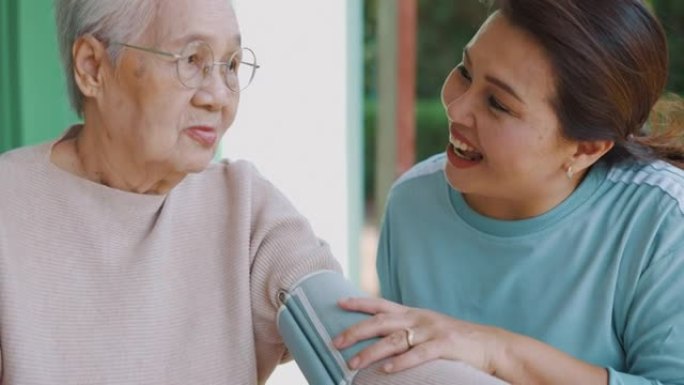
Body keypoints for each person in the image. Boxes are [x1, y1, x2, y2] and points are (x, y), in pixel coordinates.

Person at [0, 0, 507, 384]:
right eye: (192, 60)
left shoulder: (242, 206)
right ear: (92, 67)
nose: (219, 96)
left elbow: (361, 347)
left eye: (231, 65)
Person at [333, 0, 684, 384]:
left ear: (586, 148)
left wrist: (496, 351)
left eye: (498, 103)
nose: (457, 107)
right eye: (466, 72)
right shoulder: (413, 204)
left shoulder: (662, 221)